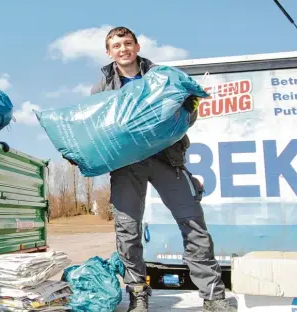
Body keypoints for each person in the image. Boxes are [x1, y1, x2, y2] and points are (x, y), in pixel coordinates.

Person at [86, 27, 235, 312]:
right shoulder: (102, 87)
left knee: (193, 225)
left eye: (127, 43)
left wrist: (189, 108)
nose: (123, 49)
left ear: (137, 46)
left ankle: (213, 296)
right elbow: (96, 128)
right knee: (127, 231)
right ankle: (138, 293)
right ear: (109, 52)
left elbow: (187, 118)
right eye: (116, 45)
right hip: (126, 165)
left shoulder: (162, 77)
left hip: (167, 159)